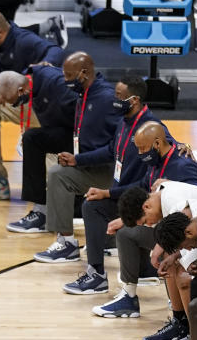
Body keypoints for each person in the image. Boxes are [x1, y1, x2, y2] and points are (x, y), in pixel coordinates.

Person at [7, 52, 121, 259]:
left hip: (109, 170)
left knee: (59, 174)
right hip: (92, 160)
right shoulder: (86, 93)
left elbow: (117, 145)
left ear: (84, 73)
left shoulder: (104, 99)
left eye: (68, 76)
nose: (65, 81)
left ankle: (66, 243)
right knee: (50, 156)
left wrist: (79, 159)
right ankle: (108, 240)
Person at [92, 122, 197, 318]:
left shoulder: (183, 163)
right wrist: (110, 196)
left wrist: (162, 242)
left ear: (156, 144)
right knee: (127, 232)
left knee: (165, 248)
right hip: (164, 226)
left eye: (142, 148)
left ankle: (179, 315)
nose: (139, 153)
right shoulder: (155, 162)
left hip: (189, 235)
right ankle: (129, 297)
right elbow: (143, 186)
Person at [62, 76, 154, 297]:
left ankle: (97, 276)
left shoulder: (150, 128)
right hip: (124, 193)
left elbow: (168, 145)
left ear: (135, 100)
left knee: (92, 206)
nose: (115, 101)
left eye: (120, 97)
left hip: (142, 199)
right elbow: (111, 150)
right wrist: (79, 159)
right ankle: (140, 269)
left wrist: (183, 147)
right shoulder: (124, 122)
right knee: (93, 205)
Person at [0, 13, 66, 202]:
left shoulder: (24, 40)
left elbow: (55, 50)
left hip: (39, 106)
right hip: (15, 103)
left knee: (50, 166)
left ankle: (59, 186)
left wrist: (45, 64)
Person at [0, 65, 75, 214]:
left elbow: (84, 115)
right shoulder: (32, 84)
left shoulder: (55, 83)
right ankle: (40, 209)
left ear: (20, 91)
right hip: (67, 130)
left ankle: (61, 204)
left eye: (8, 100)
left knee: (35, 141)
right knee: (31, 139)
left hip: (87, 135)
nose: (7, 104)